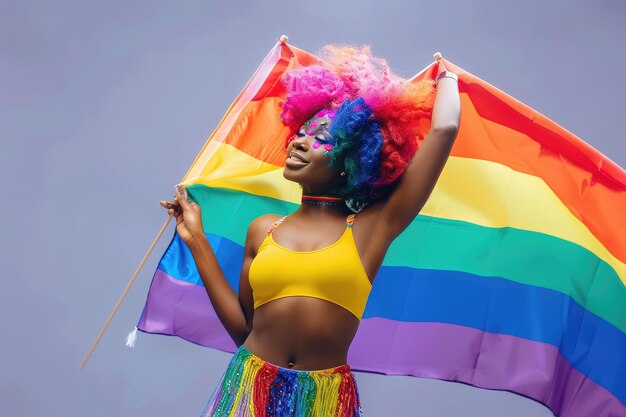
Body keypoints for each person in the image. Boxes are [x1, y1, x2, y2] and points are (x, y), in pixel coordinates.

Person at [160, 45, 461, 417]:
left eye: (322, 138)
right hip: (250, 384)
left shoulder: (372, 229)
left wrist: (446, 77)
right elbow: (245, 333)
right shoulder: (264, 230)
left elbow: (445, 128)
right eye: (301, 132)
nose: (300, 141)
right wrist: (196, 241)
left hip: (324, 398)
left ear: (353, 161)